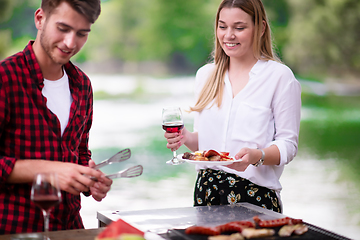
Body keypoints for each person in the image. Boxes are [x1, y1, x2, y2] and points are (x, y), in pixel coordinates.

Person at [164, 0, 301, 213]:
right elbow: (203, 144)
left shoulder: (280, 77)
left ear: (261, 28)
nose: (229, 35)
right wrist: (184, 137)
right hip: (206, 194)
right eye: (222, 26)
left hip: (255, 197)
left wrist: (258, 156)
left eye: (239, 27)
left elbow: (288, 145)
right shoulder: (205, 75)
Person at [0, 0, 113, 234]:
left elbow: (79, 152)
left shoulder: (82, 85)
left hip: (71, 229)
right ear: (40, 19)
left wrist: (87, 177)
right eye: (63, 29)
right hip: (14, 230)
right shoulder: (5, 78)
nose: (71, 43)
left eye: (82, 33)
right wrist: (48, 171)